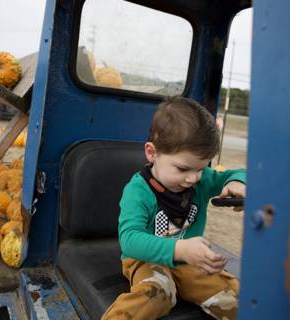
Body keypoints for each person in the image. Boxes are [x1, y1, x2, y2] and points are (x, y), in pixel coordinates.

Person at [101, 96, 246, 320]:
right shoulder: (138, 190)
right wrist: (179, 249)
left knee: (234, 298)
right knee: (159, 294)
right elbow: (130, 240)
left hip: (189, 261)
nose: (192, 178)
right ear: (152, 153)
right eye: (182, 169)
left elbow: (236, 173)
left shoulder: (202, 179)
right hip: (145, 259)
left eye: (201, 168)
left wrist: (235, 182)